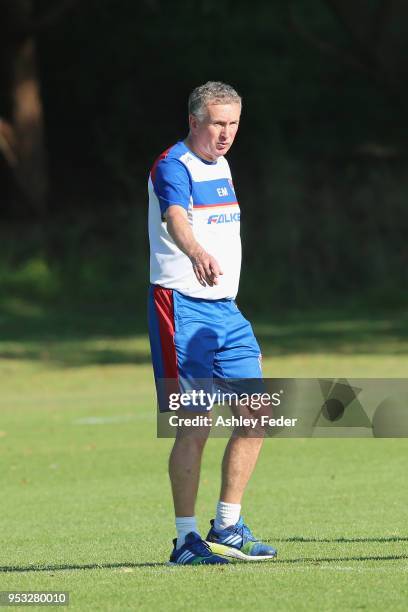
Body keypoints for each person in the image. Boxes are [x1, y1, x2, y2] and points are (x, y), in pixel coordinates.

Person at [148, 81, 277, 565]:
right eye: (217, 123)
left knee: (257, 414)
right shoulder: (172, 166)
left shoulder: (221, 165)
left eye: (234, 123)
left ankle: (227, 526)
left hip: (226, 310)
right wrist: (196, 250)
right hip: (181, 307)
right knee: (195, 424)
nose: (226, 134)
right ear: (194, 121)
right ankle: (185, 541)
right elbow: (177, 217)